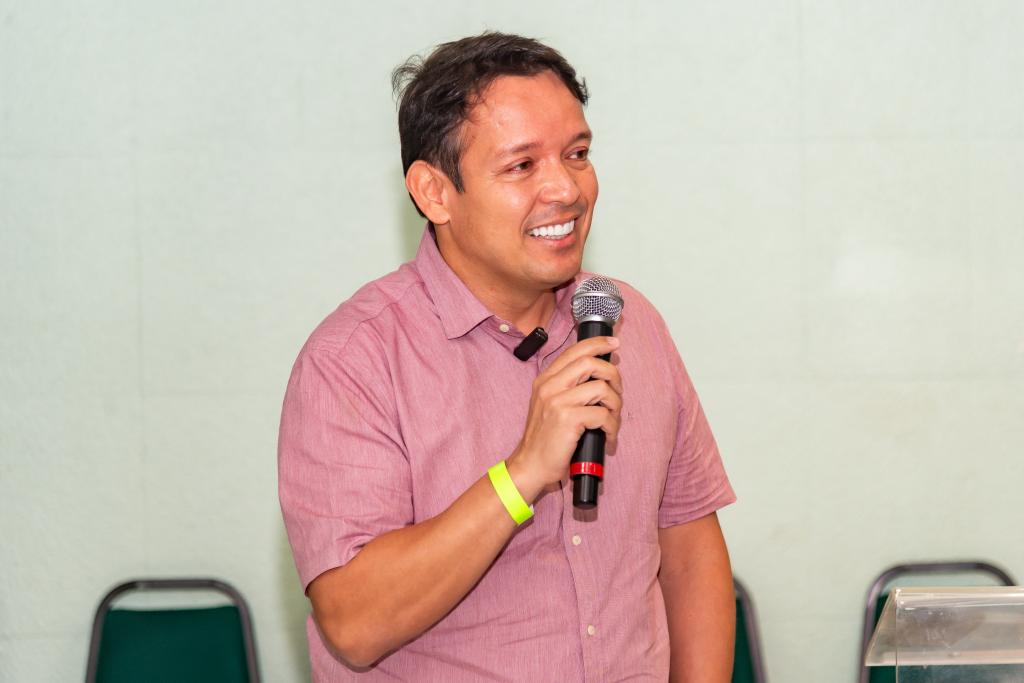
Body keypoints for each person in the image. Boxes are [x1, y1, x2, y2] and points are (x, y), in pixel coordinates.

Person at [279, 32, 737, 682]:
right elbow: (354, 625)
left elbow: (690, 551)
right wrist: (521, 474)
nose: (566, 188)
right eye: (522, 166)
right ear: (434, 192)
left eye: (577, 154)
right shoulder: (353, 361)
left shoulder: (630, 325)